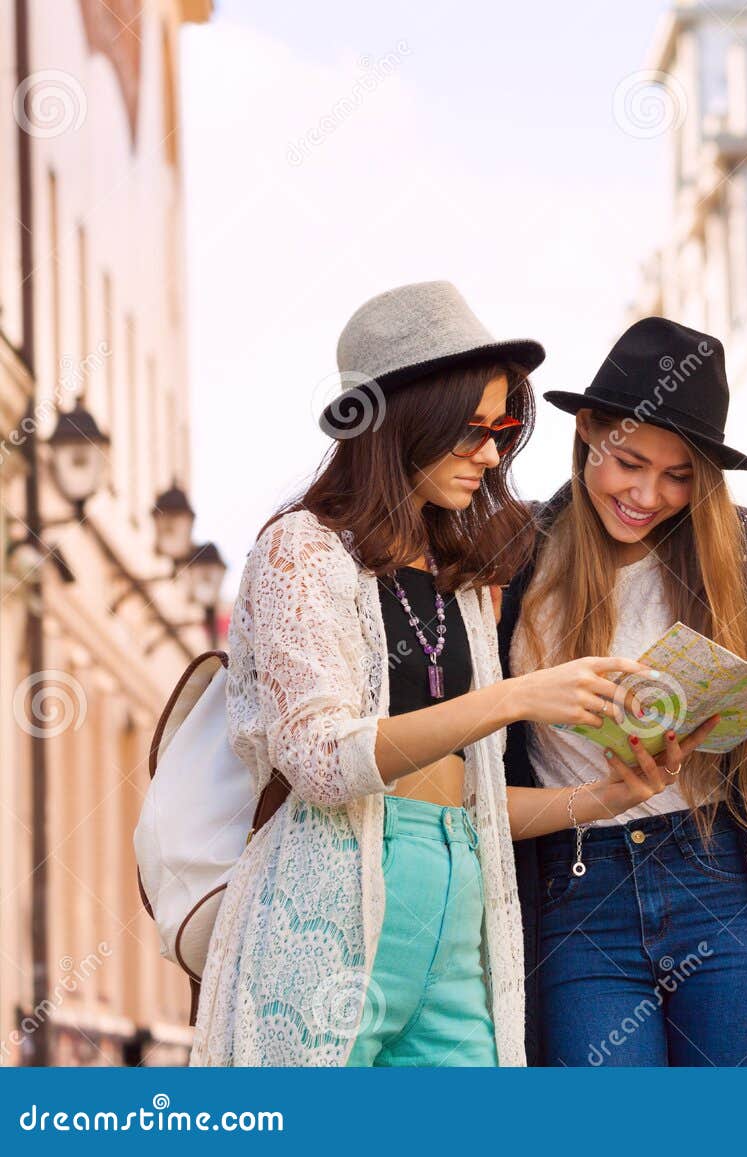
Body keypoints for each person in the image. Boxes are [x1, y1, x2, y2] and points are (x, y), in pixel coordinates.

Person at [192, 282, 665, 1066]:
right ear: (405, 422)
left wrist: (608, 797)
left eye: (502, 428)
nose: (491, 452)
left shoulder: (460, 578)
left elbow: (469, 803)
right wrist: (511, 698)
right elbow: (319, 760)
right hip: (327, 924)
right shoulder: (300, 550)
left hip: (457, 922)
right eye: (471, 430)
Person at [498, 316, 747, 1066]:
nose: (647, 494)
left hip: (715, 869)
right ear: (588, 431)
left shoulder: (741, 546)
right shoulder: (518, 559)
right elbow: (490, 763)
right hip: (576, 888)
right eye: (628, 461)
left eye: (679, 474)